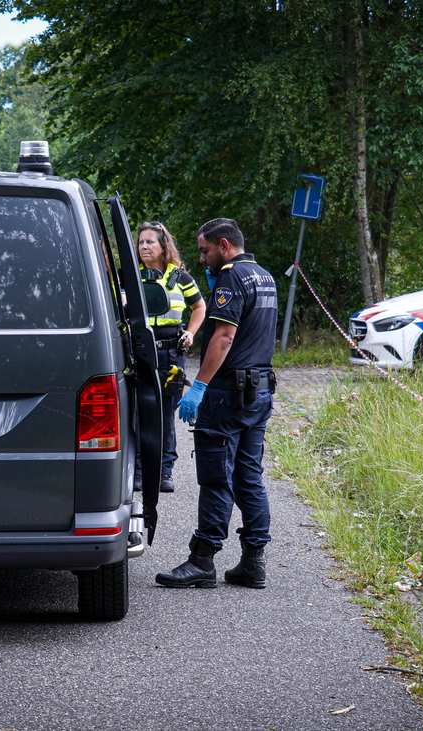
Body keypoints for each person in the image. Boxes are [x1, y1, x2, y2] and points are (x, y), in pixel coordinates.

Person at [156, 218, 277, 589]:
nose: (203, 258)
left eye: (206, 250)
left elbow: (224, 337)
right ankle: (253, 562)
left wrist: (200, 387)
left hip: (227, 394)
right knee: (248, 475)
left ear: (224, 245)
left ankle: (202, 560)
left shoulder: (232, 278)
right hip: (258, 391)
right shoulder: (265, 276)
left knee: (214, 476)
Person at [135, 221, 206, 493]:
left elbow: (199, 307)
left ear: (164, 246)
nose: (144, 247)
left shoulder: (180, 277)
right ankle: (140, 472)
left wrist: (190, 332)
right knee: (139, 414)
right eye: (141, 242)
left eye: (150, 241)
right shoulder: (131, 276)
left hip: (170, 353)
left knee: (165, 415)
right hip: (140, 352)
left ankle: (165, 472)